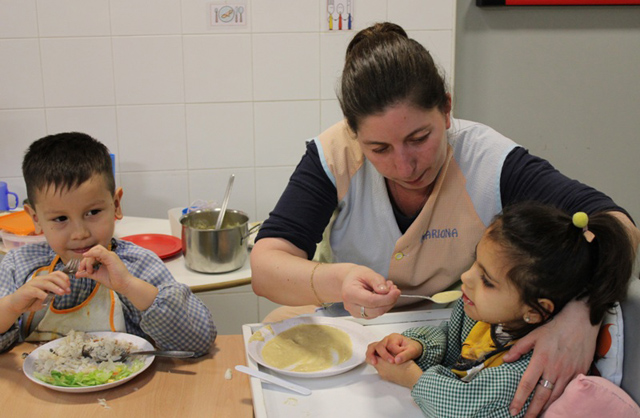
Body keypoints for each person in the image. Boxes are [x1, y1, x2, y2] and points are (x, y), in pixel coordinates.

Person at [250, 22, 640, 416]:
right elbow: (266, 267)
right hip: (354, 330)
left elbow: (616, 224)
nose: (403, 165)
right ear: (354, 136)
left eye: (419, 138)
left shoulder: (489, 160)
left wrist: (581, 313)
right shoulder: (333, 155)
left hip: (451, 328)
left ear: (448, 110)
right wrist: (337, 281)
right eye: (379, 148)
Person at [365, 203, 636, 417]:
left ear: (535, 311)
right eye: (475, 262)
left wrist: (413, 379)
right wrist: (417, 347)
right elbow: (453, 339)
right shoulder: (484, 311)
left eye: (487, 280)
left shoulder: (526, 369)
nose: (467, 278)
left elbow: (463, 409)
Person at [0, 132, 216, 356]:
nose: (80, 233)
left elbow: (198, 343)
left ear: (116, 205)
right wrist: (11, 307)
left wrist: (129, 286)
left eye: (93, 212)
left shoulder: (138, 264)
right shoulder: (19, 265)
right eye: (60, 219)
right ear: (35, 218)